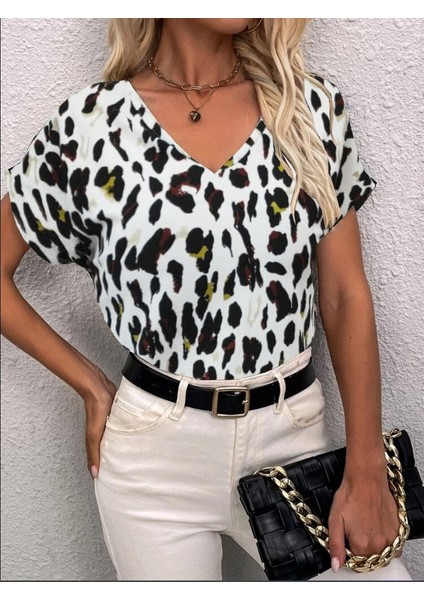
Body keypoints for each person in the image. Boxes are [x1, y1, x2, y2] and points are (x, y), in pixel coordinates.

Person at [0, 18, 413, 582]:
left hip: (292, 437)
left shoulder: (307, 108)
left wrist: (367, 467)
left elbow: (344, 295)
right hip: (153, 456)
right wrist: (92, 386)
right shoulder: (92, 128)